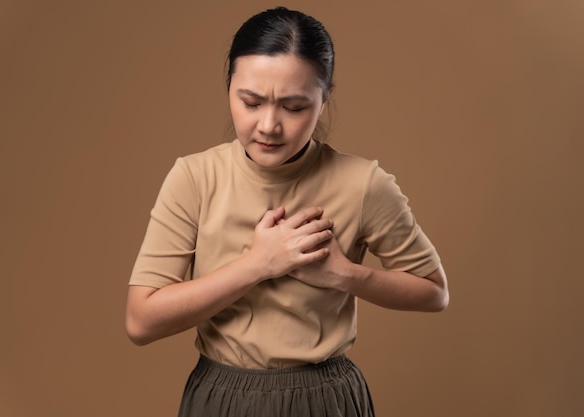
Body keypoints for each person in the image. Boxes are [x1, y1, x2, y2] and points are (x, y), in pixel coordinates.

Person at [126, 6, 448, 417]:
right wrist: (258, 264)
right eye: (251, 102)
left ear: (325, 97)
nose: (268, 125)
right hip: (221, 397)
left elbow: (434, 292)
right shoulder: (194, 177)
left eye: (294, 107)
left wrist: (343, 274)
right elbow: (141, 321)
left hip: (325, 399)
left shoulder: (363, 183)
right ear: (229, 87)